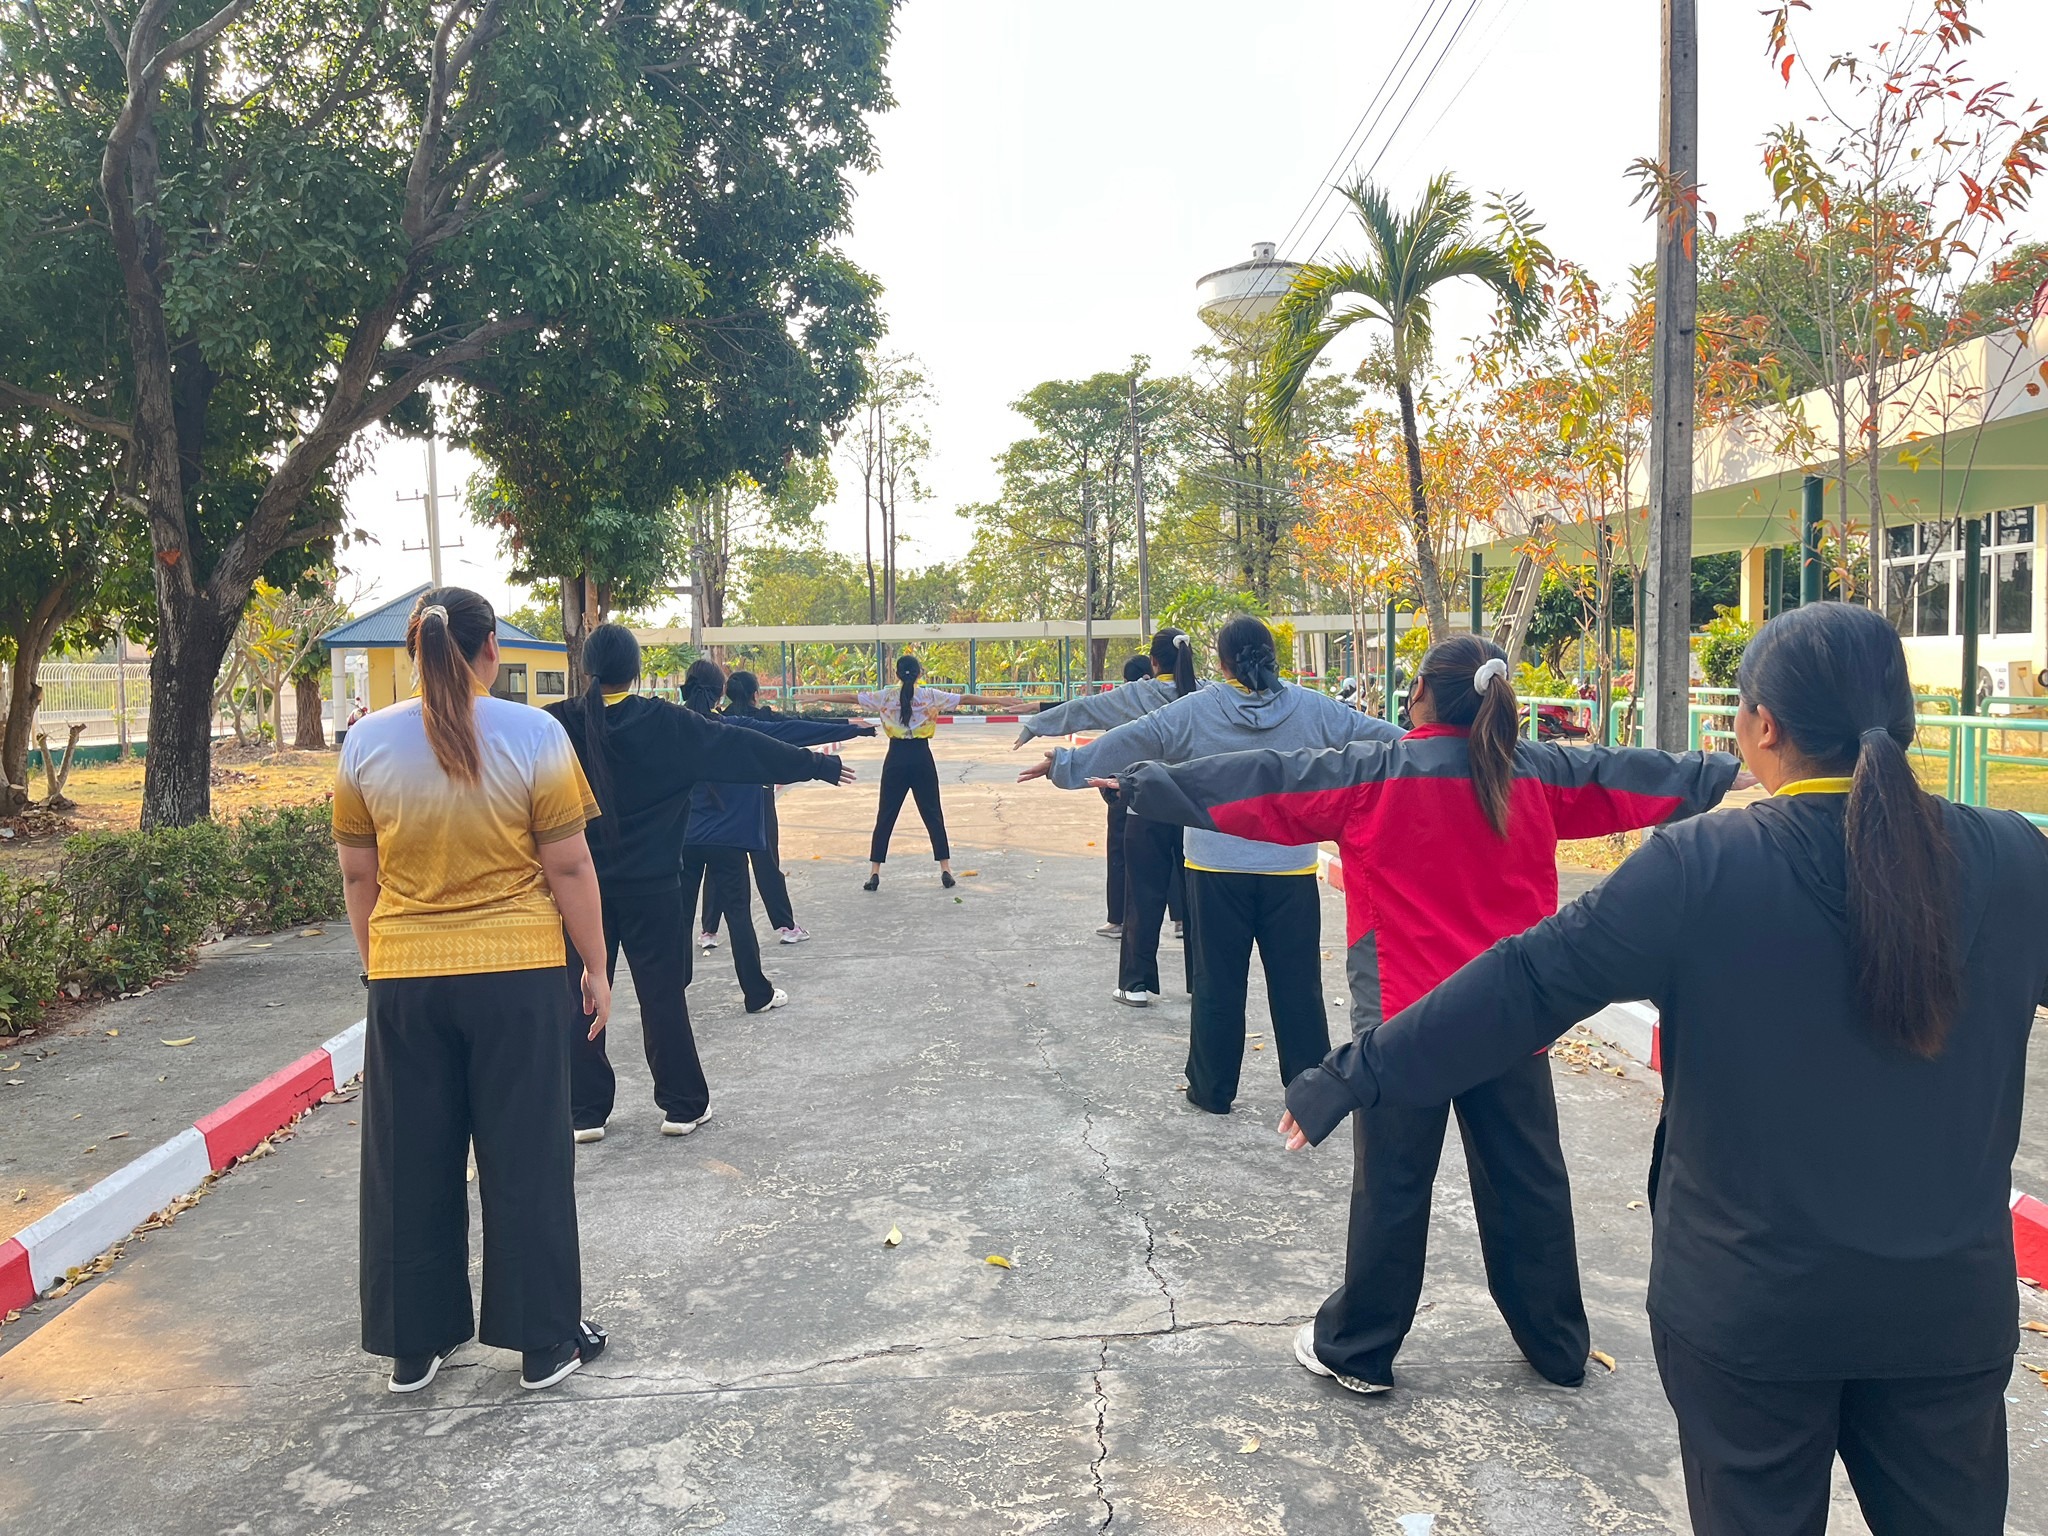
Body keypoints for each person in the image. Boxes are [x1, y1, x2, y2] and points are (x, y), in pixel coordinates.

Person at [1276, 603, 2048, 1535]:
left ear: (1761, 726)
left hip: (1752, 1306)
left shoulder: (1702, 867)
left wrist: (1353, 1072)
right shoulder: (2016, 859)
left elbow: (1523, 984)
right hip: (1948, 1312)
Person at [1118, 632, 1744, 1394]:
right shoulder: (1536, 772)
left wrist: (1148, 785)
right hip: (1513, 1020)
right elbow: (1627, 775)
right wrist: (1724, 771)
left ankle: (1360, 1349)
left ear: (1418, 694)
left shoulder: (1373, 773)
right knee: (1529, 1187)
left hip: (1402, 1029)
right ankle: (1556, 1347)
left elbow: (1263, 785)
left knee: (1393, 1188)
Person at [332, 587, 610, 1394]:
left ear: (414, 651)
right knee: (526, 1156)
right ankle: (542, 1344)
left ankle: (413, 1348)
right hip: (517, 975)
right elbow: (569, 865)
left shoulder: (366, 741)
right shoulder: (535, 734)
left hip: (406, 979)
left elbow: (359, 875)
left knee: (408, 1157)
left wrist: (384, 962)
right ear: (491, 649)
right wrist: (594, 965)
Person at [1021, 615, 1400, 1102]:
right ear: (1273, 656)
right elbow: (1391, 740)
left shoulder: (1195, 709)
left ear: (1221, 663)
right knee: (1299, 986)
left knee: (1217, 984)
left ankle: (1212, 1090)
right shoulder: (1315, 709)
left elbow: (1131, 737)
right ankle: (1309, 1093)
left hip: (1214, 869)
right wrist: (1462, 746)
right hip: (1290, 868)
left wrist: (1066, 763)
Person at [546, 631, 855, 1144]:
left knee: (580, 995)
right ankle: (682, 1105)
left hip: (578, 889)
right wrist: (818, 765)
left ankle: (585, 1113)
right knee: (662, 996)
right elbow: (743, 747)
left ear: (585, 668)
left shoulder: (553, 725)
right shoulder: (666, 723)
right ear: (637, 671)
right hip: (653, 890)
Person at [677, 660, 866, 1009]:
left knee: (678, 919)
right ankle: (756, 994)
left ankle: (671, 992)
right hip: (729, 841)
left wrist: (845, 729)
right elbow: (790, 731)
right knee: (739, 918)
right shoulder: (735, 729)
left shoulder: (671, 728)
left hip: (683, 841)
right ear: (720, 693)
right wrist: (846, 730)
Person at [1023, 630, 1199, 961]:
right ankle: (1194, 965)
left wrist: (1039, 728)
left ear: (1154, 661)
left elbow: (1086, 710)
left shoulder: (1135, 695)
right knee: (1193, 891)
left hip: (1141, 802)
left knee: (1140, 894)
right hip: (1193, 806)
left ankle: (1135, 978)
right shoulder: (1207, 695)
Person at [811, 656, 1033, 891]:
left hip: (895, 758)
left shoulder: (885, 696)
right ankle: (945, 869)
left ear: (897, 674)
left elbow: (851, 698)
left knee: (885, 815)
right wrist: (999, 700)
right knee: (933, 814)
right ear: (919, 674)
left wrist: (818, 696)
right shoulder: (930, 696)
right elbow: (966, 698)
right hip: (922, 757)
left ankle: (874, 873)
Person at [699, 669, 872, 945]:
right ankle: (786, 927)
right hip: (757, 799)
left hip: (720, 805)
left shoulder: (715, 723)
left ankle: (709, 931)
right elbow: (800, 726)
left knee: (718, 865)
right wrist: (849, 726)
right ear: (756, 695)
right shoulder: (761, 720)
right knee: (766, 863)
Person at [1095, 654, 1154, 938]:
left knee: (1119, 852)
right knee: (1171, 851)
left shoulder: (1120, 705)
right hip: (1161, 786)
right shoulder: (1170, 703)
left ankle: (1117, 920)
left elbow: (1107, 748)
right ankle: (1181, 919)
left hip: (1123, 786)